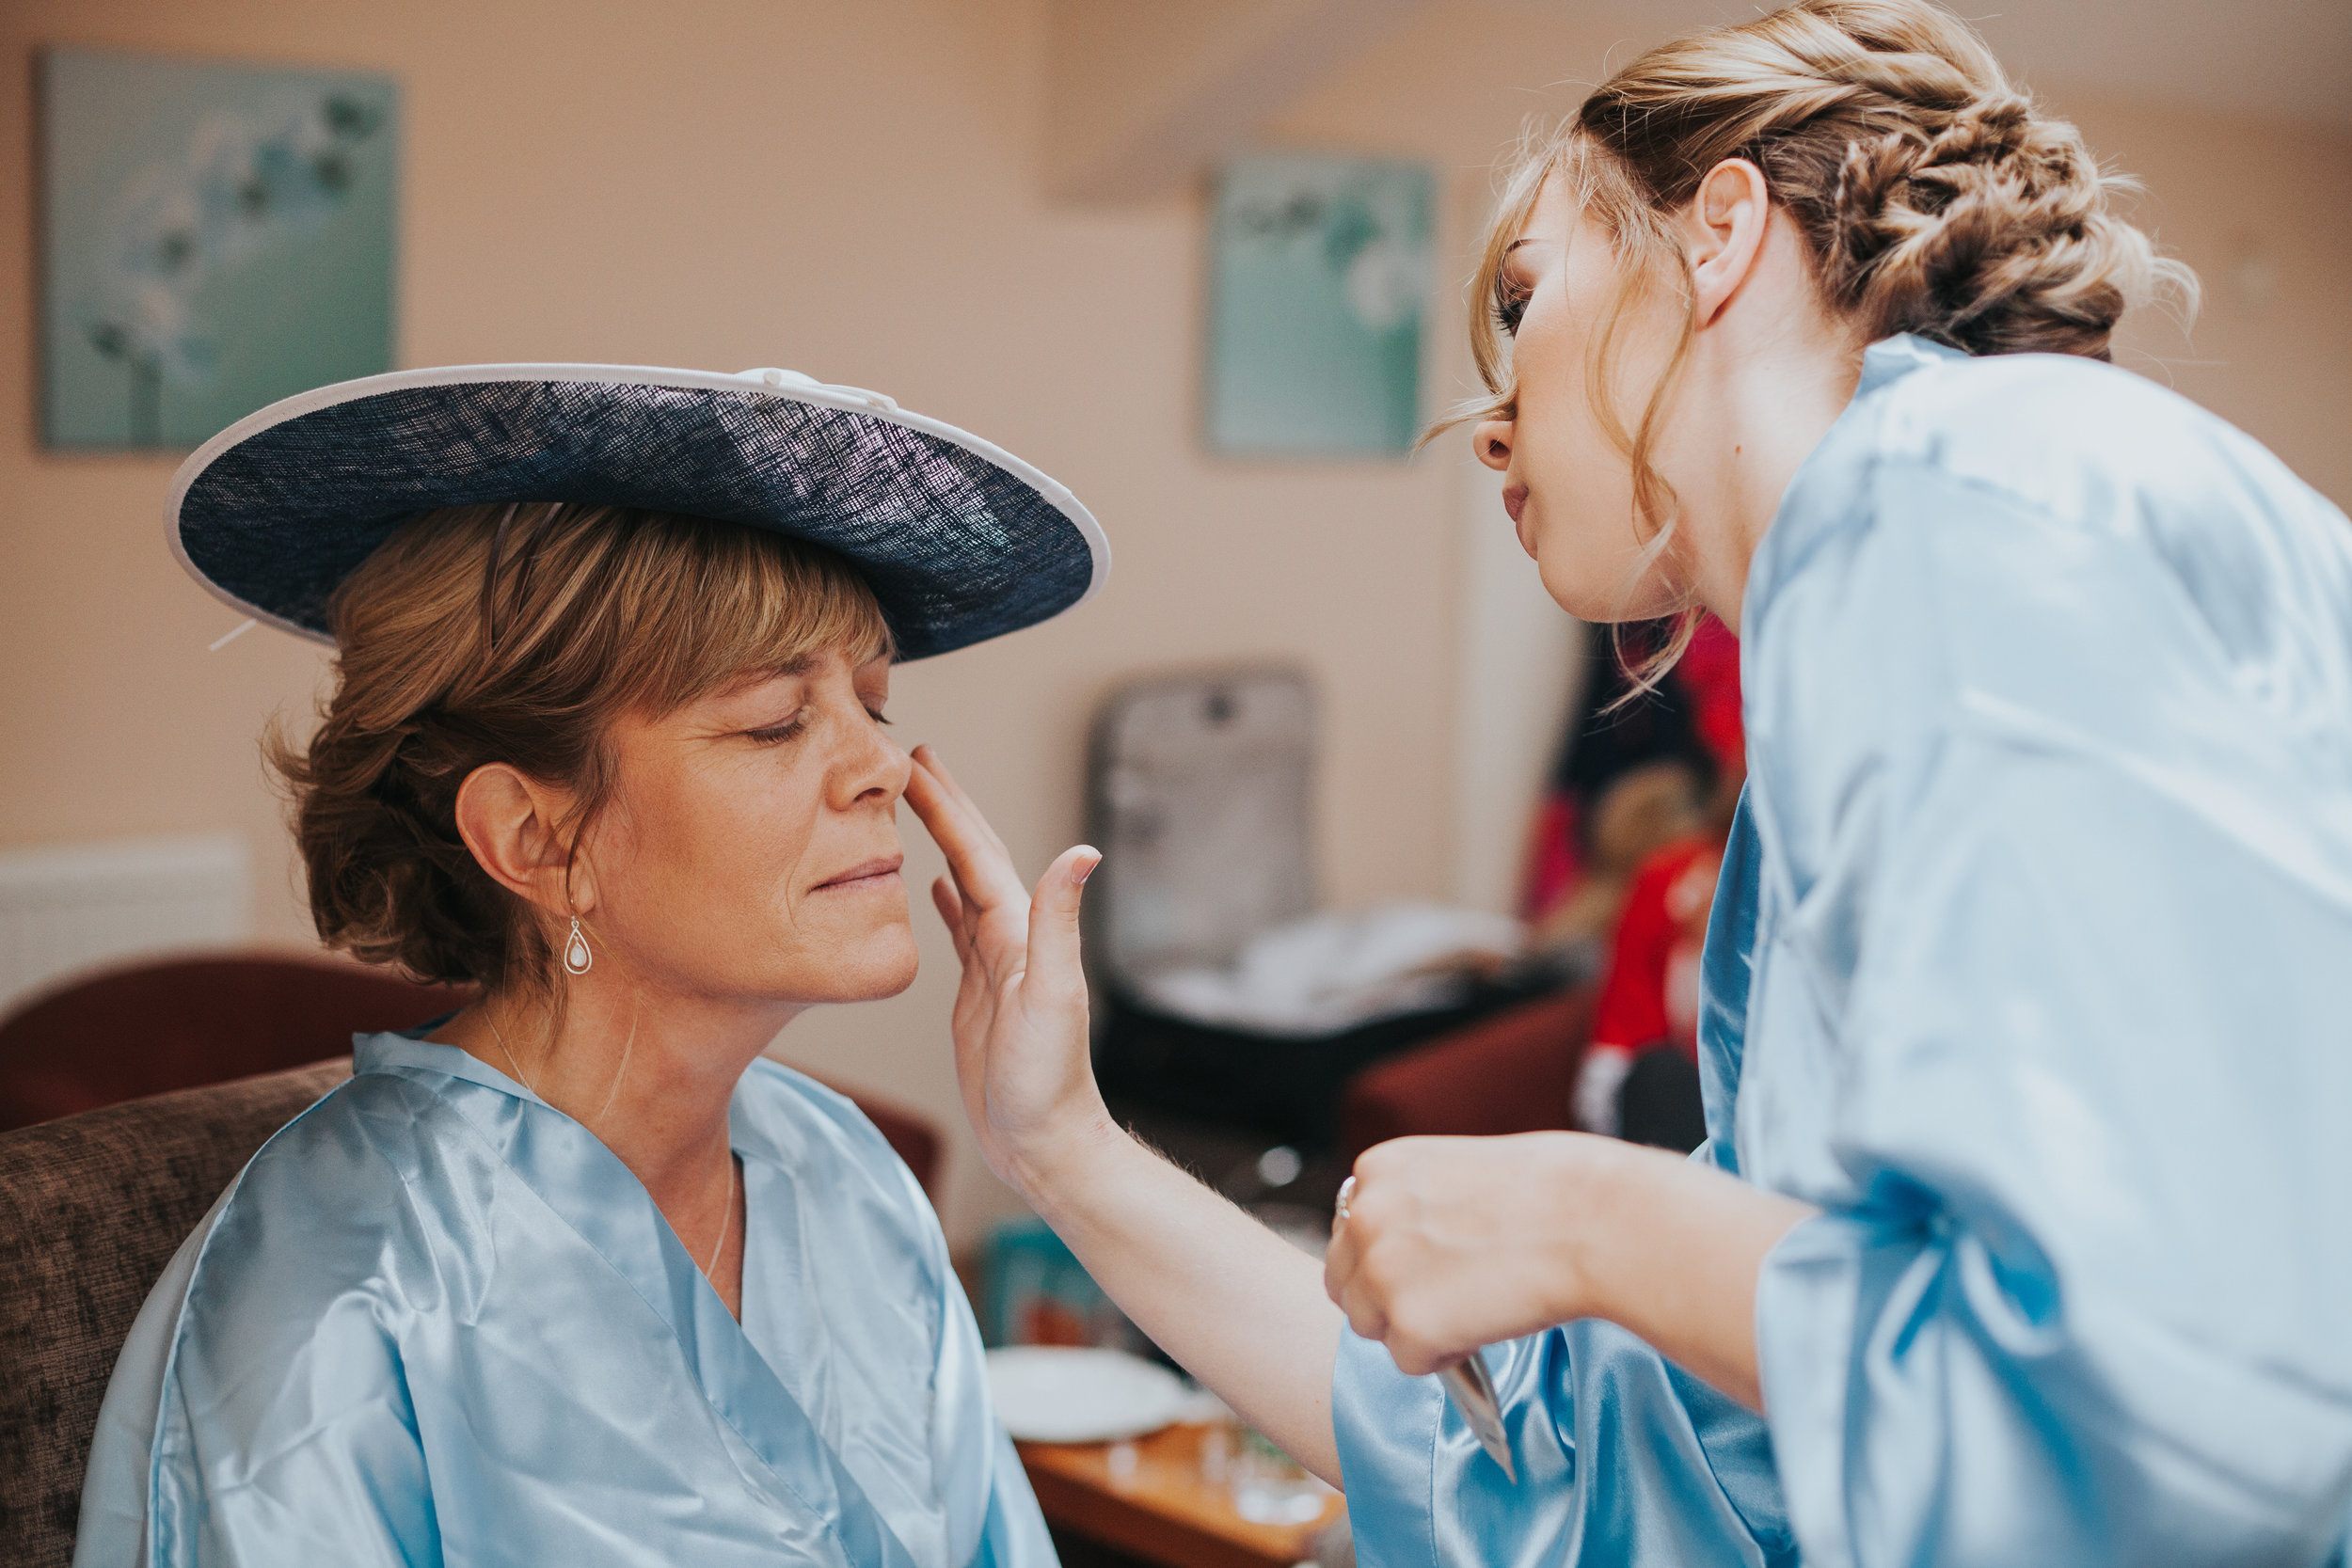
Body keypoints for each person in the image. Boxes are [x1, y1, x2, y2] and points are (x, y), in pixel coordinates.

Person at [905, 2, 2352, 1563]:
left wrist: (1592, 1217)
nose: (1485, 418)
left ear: (1722, 233)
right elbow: (1598, 1471)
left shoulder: (1956, 505)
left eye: (1525, 299)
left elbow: (2169, 1422)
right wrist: (1061, 1141)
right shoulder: (1864, 632)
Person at [77, 364, 1106, 1566]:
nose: (879, 764)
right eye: (776, 719)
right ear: (534, 836)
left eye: (871, 702)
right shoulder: (341, 1294)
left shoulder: (842, 1174)